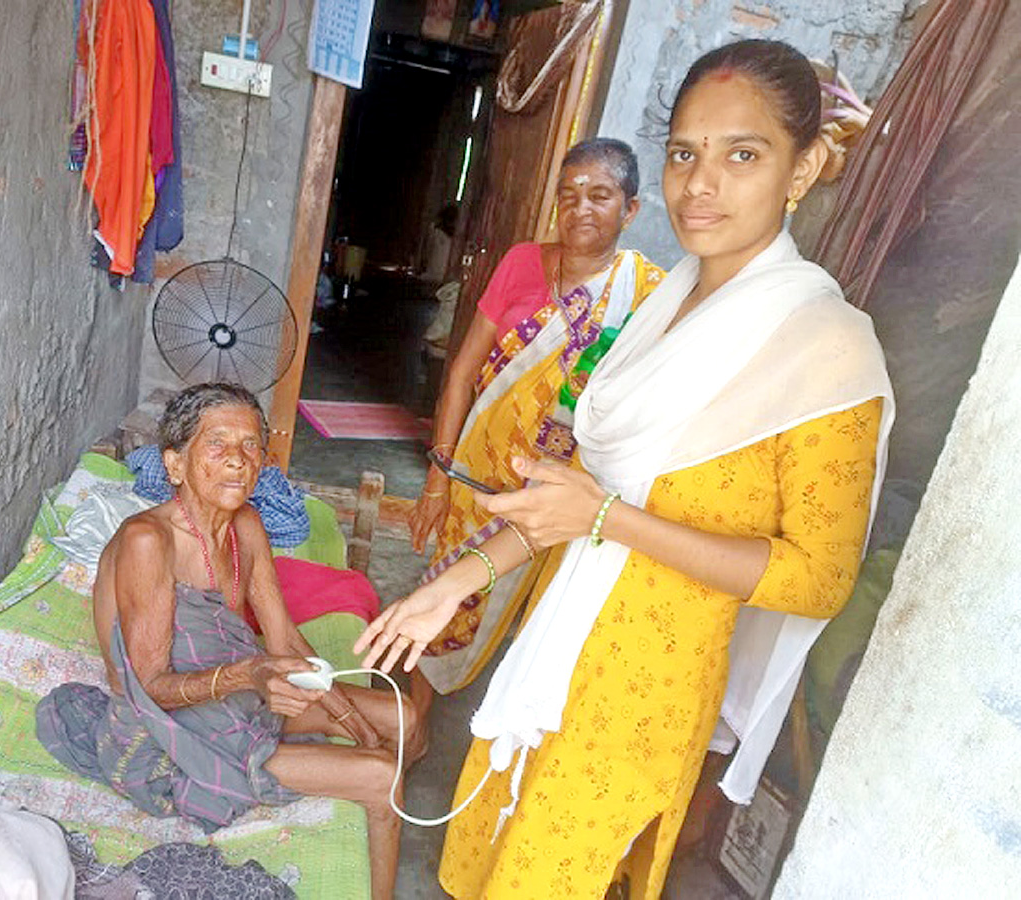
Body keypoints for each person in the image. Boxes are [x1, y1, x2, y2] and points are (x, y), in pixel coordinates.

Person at [357, 39, 894, 899]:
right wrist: (453, 582)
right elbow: (567, 509)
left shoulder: (827, 349)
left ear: (807, 167)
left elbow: (819, 580)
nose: (700, 184)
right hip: (550, 662)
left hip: (640, 702)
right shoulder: (657, 312)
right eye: (685, 152)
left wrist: (611, 521)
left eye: (742, 155)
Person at [37, 383, 419, 900]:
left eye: (250, 446)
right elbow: (151, 687)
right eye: (217, 444)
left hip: (236, 701)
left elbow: (282, 638)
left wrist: (345, 711)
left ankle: (369, 794)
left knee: (406, 719)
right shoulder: (147, 542)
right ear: (175, 464)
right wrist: (252, 674)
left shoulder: (246, 525)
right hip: (167, 735)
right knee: (380, 775)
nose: (238, 461)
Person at [407, 138, 665, 714]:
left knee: (536, 616)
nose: (581, 209)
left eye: (600, 196)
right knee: (444, 593)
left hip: (561, 499)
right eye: (568, 195)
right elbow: (463, 372)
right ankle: (418, 719)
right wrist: (438, 477)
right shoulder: (522, 262)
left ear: (631, 210)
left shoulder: (648, 296)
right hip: (476, 477)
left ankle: (500, 723)